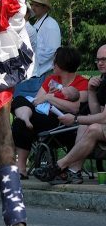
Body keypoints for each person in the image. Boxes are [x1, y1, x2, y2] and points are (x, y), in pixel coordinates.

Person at [11, 46, 88, 175]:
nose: (52, 64)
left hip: (65, 125)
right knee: (19, 107)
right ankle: (21, 168)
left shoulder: (82, 83)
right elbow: (36, 102)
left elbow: (75, 108)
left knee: (23, 120)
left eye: (54, 61)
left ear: (62, 64)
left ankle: (24, 117)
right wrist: (48, 97)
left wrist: (49, 97)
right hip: (43, 117)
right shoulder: (51, 81)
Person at [39, 43, 106, 185]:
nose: (100, 63)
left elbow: (104, 117)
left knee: (91, 127)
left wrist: (75, 119)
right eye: (98, 59)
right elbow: (95, 113)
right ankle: (74, 172)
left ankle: (59, 166)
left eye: (104, 59)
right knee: (86, 124)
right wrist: (92, 91)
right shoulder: (103, 79)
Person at [14, 0, 62, 99]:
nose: (33, 8)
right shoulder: (37, 23)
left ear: (45, 8)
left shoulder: (51, 25)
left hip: (44, 73)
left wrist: (33, 59)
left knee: (37, 102)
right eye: (33, 4)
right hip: (36, 72)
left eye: (37, 5)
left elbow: (53, 50)